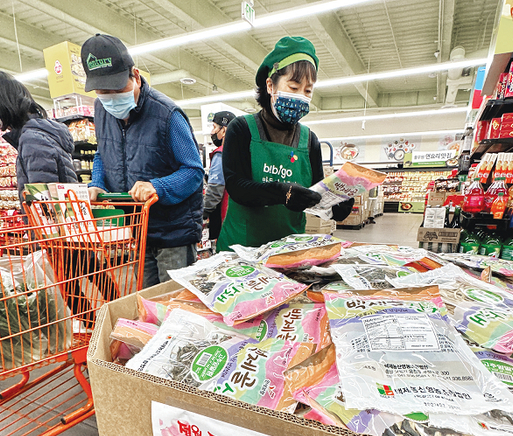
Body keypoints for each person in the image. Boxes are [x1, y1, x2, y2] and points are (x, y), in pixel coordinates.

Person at [0, 71, 111, 326]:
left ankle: (99, 336)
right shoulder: (39, 134)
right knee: (97, 277)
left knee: (72, 289)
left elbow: (44, 192)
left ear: (2, 104)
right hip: (72, 229)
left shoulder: (31, 139)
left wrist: (37, 230)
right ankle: (114, 326)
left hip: (57, 234)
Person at [81, 34, 204, 288]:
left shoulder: (167, 114)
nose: (111, 98)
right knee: (147, 305)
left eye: (118, 89)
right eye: (103, 92)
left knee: (174, 305)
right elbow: (103, 152)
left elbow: (193, 171)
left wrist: (157, 187)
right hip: (138, 229)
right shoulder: (101, 110)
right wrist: (98, 182)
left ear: (135, 76)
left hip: (174, 233)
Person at [217, 36, 353, 252]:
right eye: (293, 87)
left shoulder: (310, 141)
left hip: (288, 251)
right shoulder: (241, 129)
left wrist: (338, 202)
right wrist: (282, 192)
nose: (301, 97)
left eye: (307, 91)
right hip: (242, 249)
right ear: (270, 85)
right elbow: (237, 187)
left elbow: (315, 195)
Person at [0, 71, 77, 198]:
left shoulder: (32, 139)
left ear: (0, 105)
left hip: (52, 216)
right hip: (68, 214)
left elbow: (44, 203)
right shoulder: (41, 132)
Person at [203, 110, 236, 243]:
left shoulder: (221, 154)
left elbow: (215, 191)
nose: (212, 132)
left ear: (224, 130)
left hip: (222, 219)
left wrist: (203, 212)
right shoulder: (241, 153)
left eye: (215, 127)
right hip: (236, 219)